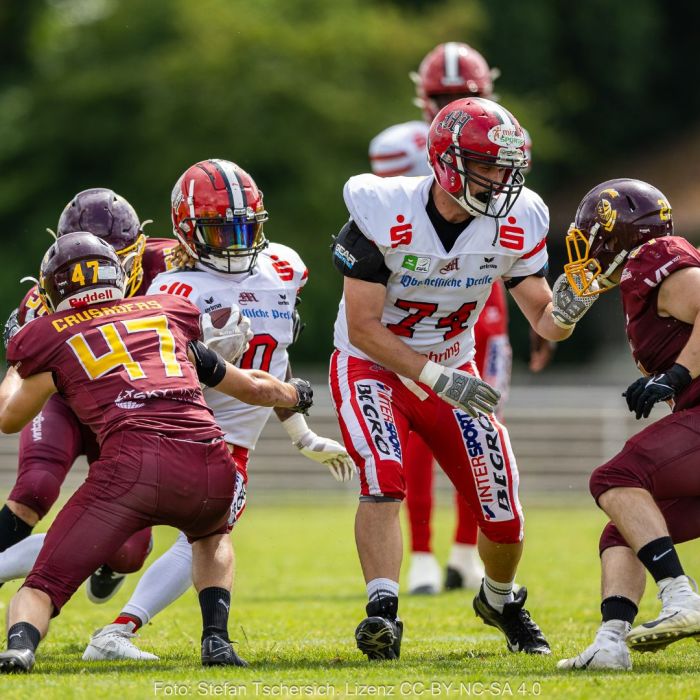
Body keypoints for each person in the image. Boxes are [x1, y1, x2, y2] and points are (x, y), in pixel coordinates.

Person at [331, 96, 597, 660]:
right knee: (384, 474)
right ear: (447, 161)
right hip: (372, 364)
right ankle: (382, 612)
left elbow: (546, 323)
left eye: (508, 168)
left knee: (502, 511)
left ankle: (500, 600)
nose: (502, 180)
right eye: (488, 166)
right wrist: (435, 376)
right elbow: (362, 327)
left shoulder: (520, 217)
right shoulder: (382, 207)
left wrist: (575, 302)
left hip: (454, 364)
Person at [0, 231, 312, 673]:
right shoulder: (168, 312)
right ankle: (216, 640)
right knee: (212, 535)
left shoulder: (51, 333)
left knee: (44, 585)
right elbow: (252, 385)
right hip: (208, 458)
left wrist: (16, 365)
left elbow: (9, 418)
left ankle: (20, 647)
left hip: (131, 467)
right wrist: (295, 394)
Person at [81, 159, 354, 662]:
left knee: (201, 535)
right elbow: (161, 376)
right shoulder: (172, 291)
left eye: (244, 228)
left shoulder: (284, 268)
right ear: (187, 231)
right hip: (181, 429)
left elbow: (277, 358)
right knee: (113, 538)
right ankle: (109, 630)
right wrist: (203, 355)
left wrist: (301, 434)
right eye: (219, 231)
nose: (234, 241)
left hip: (236, 441)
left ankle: (121, 631)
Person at [368, 41, 551, 595]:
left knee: (482, 422)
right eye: (443, 96)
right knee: (421, 431)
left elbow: (515, 253)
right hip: (424, 290)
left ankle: (468, 548)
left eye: (462, 95)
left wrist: (542, 320)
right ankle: (421, 550)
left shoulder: (503, 139)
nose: (450, 102)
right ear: (423, 97)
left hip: (489, 299)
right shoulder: (398, 150)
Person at [0, 188, 177, 603]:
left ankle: (107, 561)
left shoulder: (170, 265)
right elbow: (17, 385)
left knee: (128, 552)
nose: (96, 275)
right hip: (65, 399)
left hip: (130, 407)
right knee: (35, 487)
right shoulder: (42, 297)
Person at [554, 179, 700, 670]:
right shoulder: (646, 276)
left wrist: (676, 374)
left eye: (590, 237)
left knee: (616, 478)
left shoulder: (662, 262)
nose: (585, 252)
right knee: (625, 528)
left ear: (615, 235)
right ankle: (610, 643)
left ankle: (682, 599)